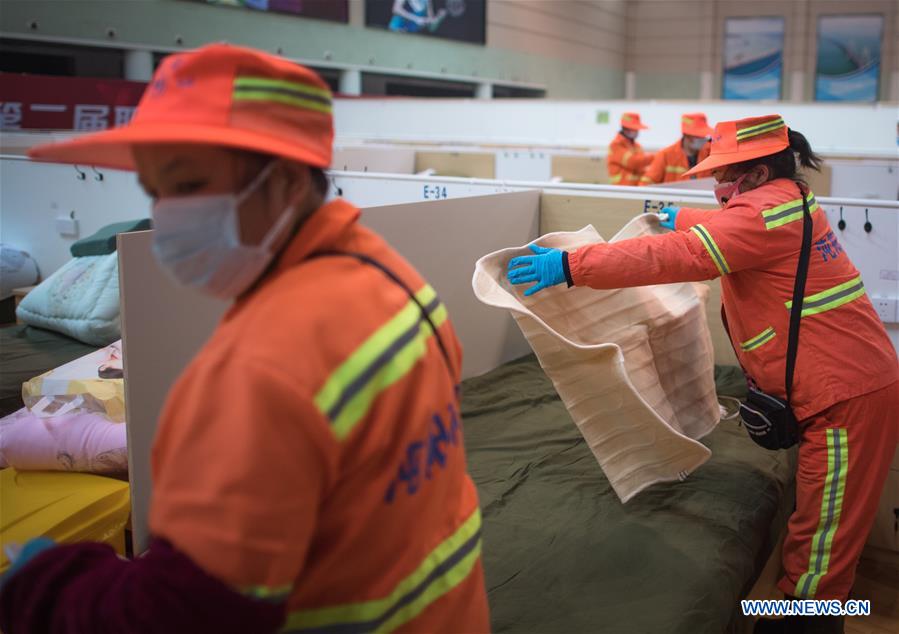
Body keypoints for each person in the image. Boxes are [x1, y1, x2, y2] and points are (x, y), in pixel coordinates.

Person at [0, 44, 489, 634]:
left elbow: (184, 614)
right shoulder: (392, 276)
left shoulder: (261, 366)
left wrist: (48, 587)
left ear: (281, 181)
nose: (164, 219)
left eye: (186, 185)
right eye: (156, 192)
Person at [508, 114, 898, 634]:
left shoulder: (762, 214)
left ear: (757, 174)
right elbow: (733, 229)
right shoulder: (788, 200)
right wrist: (686, 217)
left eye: (724, 177)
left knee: (820, 553)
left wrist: (573, 265)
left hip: (847, 396)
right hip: (848, 380)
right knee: (817, 530)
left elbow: (685, 255)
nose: (717, 187)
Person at [640, 112, 713, 185]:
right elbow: (646, 183)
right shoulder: (666, 155)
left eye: (704, 136)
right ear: (687, 136)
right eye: (699, 136)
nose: (703, 140)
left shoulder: (710, 154)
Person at [607, 112, 654, 186]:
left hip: (636, 187)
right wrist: (656, 156)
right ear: (626, 129)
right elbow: (633, 162)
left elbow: (641, 167)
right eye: (634, 129)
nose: (637, 132)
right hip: (622, 188)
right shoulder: (616, 145)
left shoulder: (637, 146)